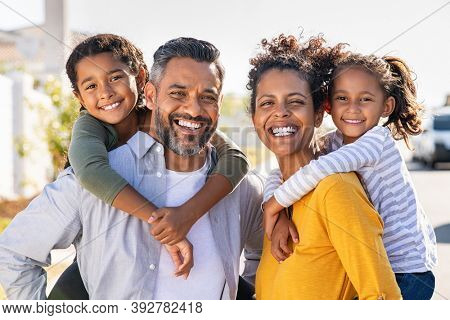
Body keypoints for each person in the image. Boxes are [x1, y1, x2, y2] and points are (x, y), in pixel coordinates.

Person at [0, 37, 263, 300]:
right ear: (150, 95)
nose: (193, 109)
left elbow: (266, 255)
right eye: (178, 93)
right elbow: (14, 255)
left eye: (207, 97)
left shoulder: (241, 189)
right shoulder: (88, 179)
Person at [263, 48, 437, 300]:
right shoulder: (332, 143)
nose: (353, 108)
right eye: (342, 98)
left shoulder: (377, 141)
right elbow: (278, 174)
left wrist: (273, 205)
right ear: (329, 106)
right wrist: (276, 211)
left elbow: (318, 169)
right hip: (376, 263)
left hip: (408, 271)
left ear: (386, 106)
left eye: (365, 99)